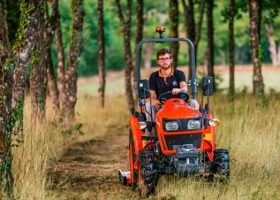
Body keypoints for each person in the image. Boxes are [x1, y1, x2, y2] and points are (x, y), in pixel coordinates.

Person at [145, 48, 199, 135]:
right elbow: (150, 97)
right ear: (158, 61)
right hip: (163, 105)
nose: (164, 61)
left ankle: (194, 131)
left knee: (194, 102)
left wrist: (179, 90)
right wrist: (159, 101)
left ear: (171, 60)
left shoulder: (179, 74)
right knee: (148, 105)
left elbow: (184, 88)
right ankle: (152, 135)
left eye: (166, 58)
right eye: (162, 59)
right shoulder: (154, 76)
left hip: (180, 104)